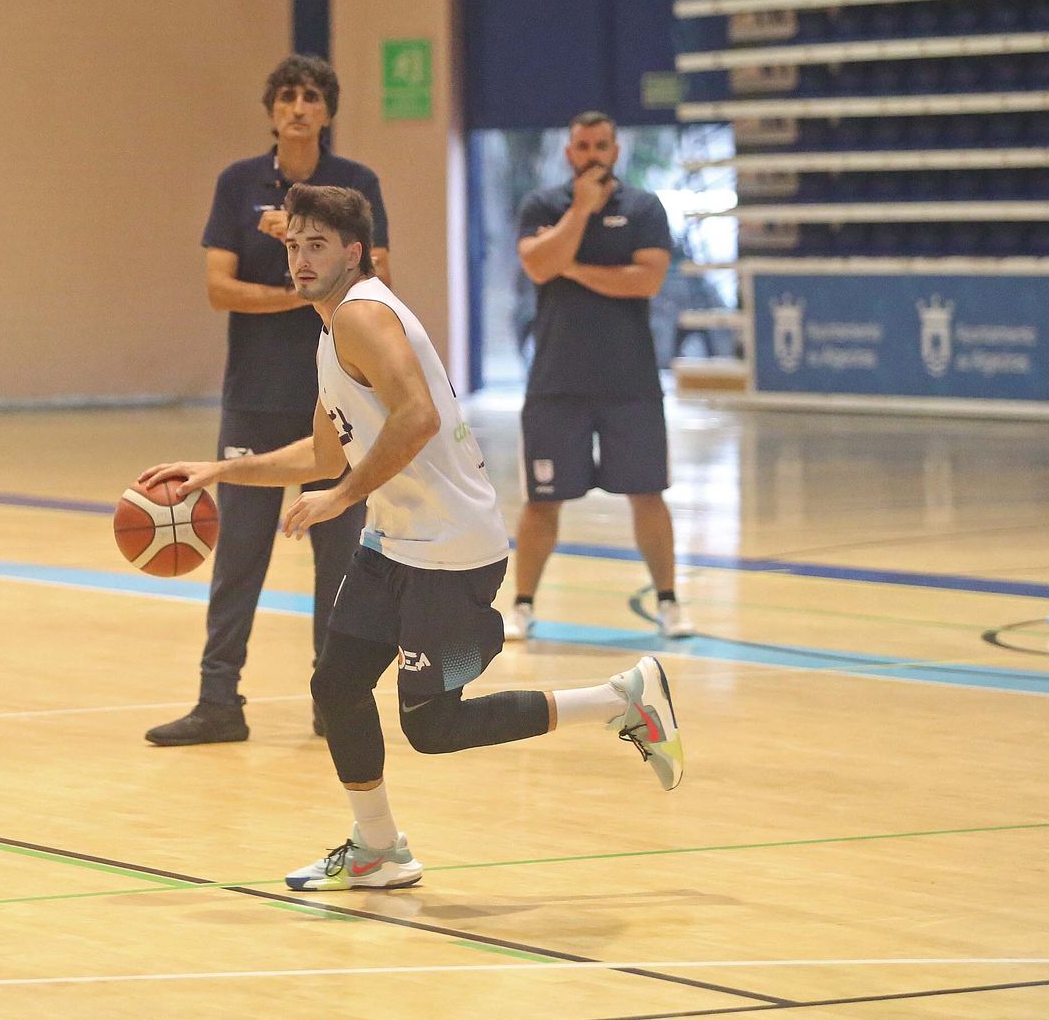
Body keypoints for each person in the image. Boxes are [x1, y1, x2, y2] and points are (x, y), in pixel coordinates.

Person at [142, 184, 683, 891]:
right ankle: (377, 848)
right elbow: (322, 455)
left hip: (452, 552)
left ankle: (623, 699)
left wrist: (341, 498)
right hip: (396, 542)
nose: (302, 261)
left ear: (354, 253)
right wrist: (219, 469)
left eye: (318, 247)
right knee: (337, 685)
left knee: (431, 726)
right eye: (294, 246)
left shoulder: (365, 315)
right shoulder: (333, 326)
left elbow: (418, 416)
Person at [146, 54, 391, 747]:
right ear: (272, 110)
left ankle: (332, 700)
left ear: (328, 111)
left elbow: (383, 274)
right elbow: (218, 287)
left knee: (341, 561)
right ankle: (218, 700)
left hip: (339, 397)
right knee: (240, 557)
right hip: (255, 397)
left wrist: (304, 244)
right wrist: (302, 282)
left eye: (311, 96)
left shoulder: (357, 185)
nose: (298, 106)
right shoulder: (238, 184)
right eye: (287, 95)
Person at [506, 110, 694, 642]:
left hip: (629, 383)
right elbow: (539, 265)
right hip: (555, 383)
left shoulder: (644, 208)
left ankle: (669, 601)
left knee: (648, 494)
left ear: (616, 150)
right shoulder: (542, 205)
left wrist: (573, 266)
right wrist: (581, 215)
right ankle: (521, 604)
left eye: (601, 145)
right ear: (570, 153)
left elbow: (647, 280)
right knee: (542, 499)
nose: (592, 154)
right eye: (582, 146)